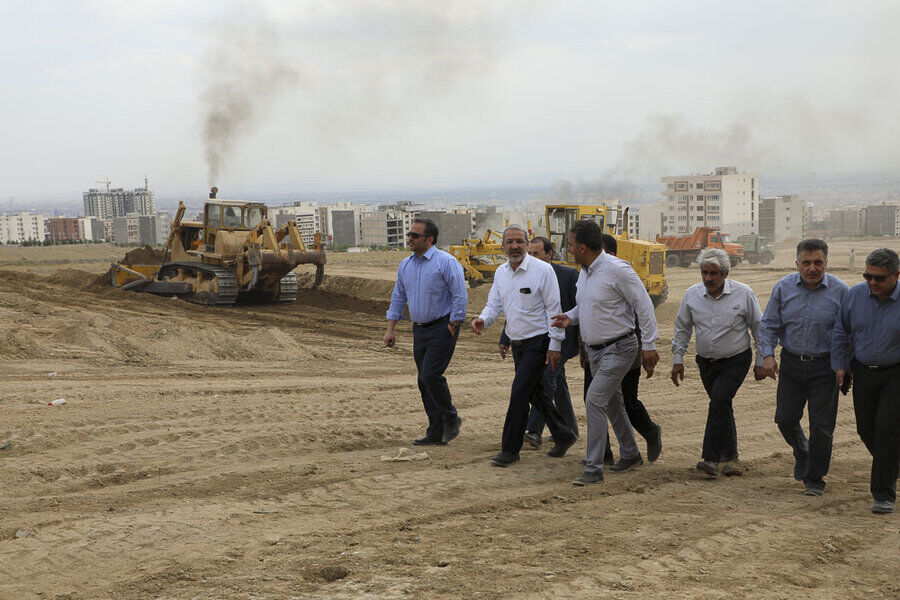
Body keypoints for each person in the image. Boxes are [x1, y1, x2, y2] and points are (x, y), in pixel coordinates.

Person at [551, 220, 660, 486]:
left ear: (584, 247)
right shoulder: (585, 272)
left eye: (572, 245)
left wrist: (649, 344)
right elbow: (587, 306)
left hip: (620, 347)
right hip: (595, 351)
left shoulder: (617, 270)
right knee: (611, 403)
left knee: (594, 400)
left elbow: (643, 306)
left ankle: (593, 467)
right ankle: (631, 453)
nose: (570, 249)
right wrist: (570, 317)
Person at [472, 226, 578, 467]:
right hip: (518, 343)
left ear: (528, 244)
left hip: (539, 342)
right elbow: (494, 305)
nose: (514, 246)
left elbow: (554, 310)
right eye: (509, 242)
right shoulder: (501, 273)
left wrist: (555, 345)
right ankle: (564, 433)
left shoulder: (543, 271)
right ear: (503, 246)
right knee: (534, 393)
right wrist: (483, 320)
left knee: (519, 392)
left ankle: (510, 450)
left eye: (519, 241)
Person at [758, 238, 849, 496]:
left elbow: (847, 333)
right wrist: (767, 355)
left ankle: (814, 479)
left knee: (821, 425)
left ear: (826, 263)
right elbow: (769, 326)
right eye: (806, 262)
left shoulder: (842, 292)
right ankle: (802, 451)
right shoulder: (783, 288)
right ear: (796, 263)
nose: (812, 268)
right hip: (791, 364)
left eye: (818, 262)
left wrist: (844, 365)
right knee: (785, 418)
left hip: (825, 368)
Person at [671, 248, 763, 478]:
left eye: (714, 273)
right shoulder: (692, 295)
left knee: (719, 401)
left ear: (726, 273)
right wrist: (677, 359)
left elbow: (759, 328)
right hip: (706, 364)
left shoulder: (744, 294)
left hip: (736, 360)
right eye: (704, 272)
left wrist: (762, 359)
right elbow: (682, 328)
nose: (708, 278)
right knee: (722, 405)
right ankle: (731, 458)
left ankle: (710, 458)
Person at [384, 217, 468, 446]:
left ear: (429, 240)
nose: (409, 238)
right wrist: (390, 328)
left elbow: (460, 294)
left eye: (414, 235)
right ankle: (435, 430)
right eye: (409, 234)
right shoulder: (406, 264)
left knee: (430, 375)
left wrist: (454, 322)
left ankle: (451, 418)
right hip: (419, 330)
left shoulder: (446, 262)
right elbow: (398, 297)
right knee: (423, 381)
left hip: (442, 327)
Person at [832, 247, 900, 515]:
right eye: (868, 276)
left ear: (896, 275)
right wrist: (840, 364)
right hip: (863, 371)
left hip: (895, 373)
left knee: (886, 430)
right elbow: (841, 331)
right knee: (865, 429)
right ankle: (892, 463)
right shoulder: (855, 296)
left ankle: (883, 494)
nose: (872, 283)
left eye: (879, 278)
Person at [498, 236, 580, 447]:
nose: (531, 257)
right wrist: (505, 337)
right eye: (531, 253)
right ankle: (567, 430)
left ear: (549, 254)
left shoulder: (568, 275)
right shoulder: (522, 274)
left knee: (545, 382)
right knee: (556, 384)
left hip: (559, 342)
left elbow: (579, 308)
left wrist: (582, 343)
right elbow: (516, 309)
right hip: (536, 341)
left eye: (536, 253)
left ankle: (533, 431)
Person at [596, 234, 663, 464]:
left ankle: (651, 431)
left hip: (627, 352)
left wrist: (647, 349)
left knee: (627, 400)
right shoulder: (590, 276)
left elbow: (641, 316)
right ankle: (602, 454)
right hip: (596, 354)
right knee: (596, 401)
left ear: (611, 254)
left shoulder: (622, 277)